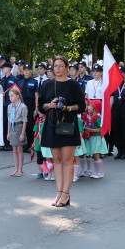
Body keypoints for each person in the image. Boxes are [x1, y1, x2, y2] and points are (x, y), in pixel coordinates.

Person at [38, 56, 86, 206]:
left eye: (60, 66)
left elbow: (82, 106)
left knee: (67, 160)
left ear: (67, 68)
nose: (57, 68)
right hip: (52, 125)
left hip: (68, 125)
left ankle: (66, 194)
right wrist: (50, 105)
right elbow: (41, 107)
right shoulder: (47, 85)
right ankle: (59, 192)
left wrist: (67, 108)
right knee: (56, 160)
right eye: (55, 66)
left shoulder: (74, 85)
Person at [76, 99, 106, 179]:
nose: (88, 107)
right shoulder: (92, 116)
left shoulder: (97, 118)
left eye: (89, 105)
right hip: (92, 138)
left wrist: (90, 130)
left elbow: (100, 129)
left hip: (96, 137)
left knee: (96, 155)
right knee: (94, 155)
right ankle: (97, 172)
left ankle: (100, 172)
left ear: (94, 108)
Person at [110, 67, 125, 159]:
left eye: (122, 72)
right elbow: (112, 98)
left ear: (124, 73)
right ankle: (119, 150)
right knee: (116, 129)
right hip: (116, 107)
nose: (121, 74)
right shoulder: (114, 84)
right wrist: (109, 110)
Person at [7, 86, 28, 176]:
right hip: (12, 127)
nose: (10, 98)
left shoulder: (23, 106)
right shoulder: (9, 106)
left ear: (17, 96)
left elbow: (24, 121)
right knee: (14, 149)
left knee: (19, 148)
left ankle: (20, 169)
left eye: (12, 96)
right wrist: (8, 132)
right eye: (9, 96)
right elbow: (9, 120)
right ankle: (15, 168)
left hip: (19, 127)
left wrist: (22, 133)